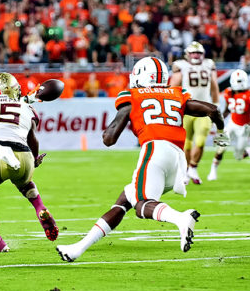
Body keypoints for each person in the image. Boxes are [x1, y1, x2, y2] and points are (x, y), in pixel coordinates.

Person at [56, 57, 228, 262]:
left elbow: (109, 140)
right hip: (178, 159)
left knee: (141, 205)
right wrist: (221, 130)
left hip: (154, 150)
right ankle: (78, 248)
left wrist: (115, 127)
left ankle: (180, 218)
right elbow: (213, 110)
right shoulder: (176, 93)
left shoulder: (133, 95)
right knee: (125, 200)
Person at [0, 73, 57, 252]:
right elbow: (33, 139)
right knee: (23, 181)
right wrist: (34, 159)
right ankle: (39, 207)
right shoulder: (26, 107)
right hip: (23, 156)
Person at [169, 41, 220, 184]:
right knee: (186, 143)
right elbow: (173, 87)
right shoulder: (181, 66)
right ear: (187, 54)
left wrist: (216, 105)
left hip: (204, 109)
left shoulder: (209, 64)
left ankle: (193, 167)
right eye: (193, 53)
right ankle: (185, 172)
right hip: (186, 109)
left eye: (198, 53)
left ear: (203, 54)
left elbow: (214, 86)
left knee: (201, 139)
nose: (196, 55)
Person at [207, 70, 250, 181]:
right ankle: (213, 170)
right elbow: (227, 110)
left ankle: (249, 151)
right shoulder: (229, 93)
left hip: (244, 127)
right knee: (221, 147)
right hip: (232, 124)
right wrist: (217, 120)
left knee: (238, 157)